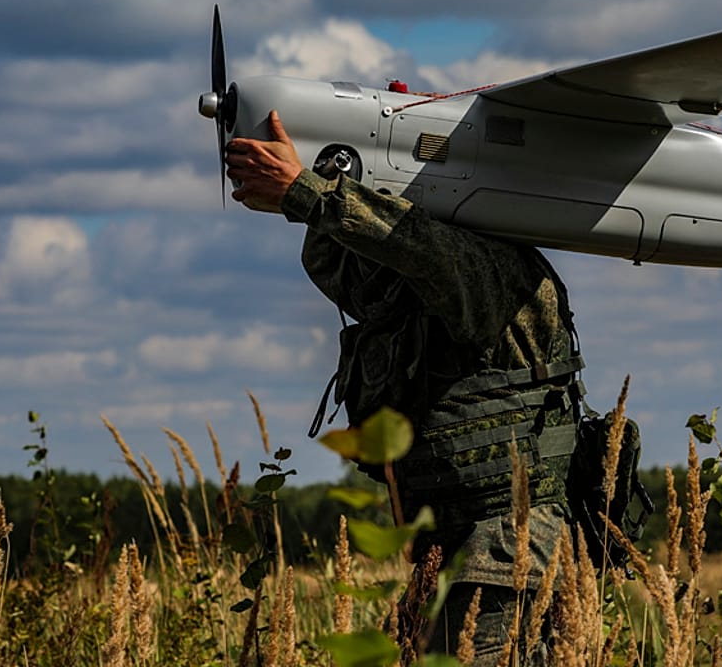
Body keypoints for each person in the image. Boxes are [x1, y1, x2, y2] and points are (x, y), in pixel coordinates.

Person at [225, 111, 584, 664]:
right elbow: (356, 269)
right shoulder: (419, 299)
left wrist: (308, 193)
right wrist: (305, 193)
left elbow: (422, 247)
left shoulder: (495, 272)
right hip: (458, 551)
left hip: (510, 550)